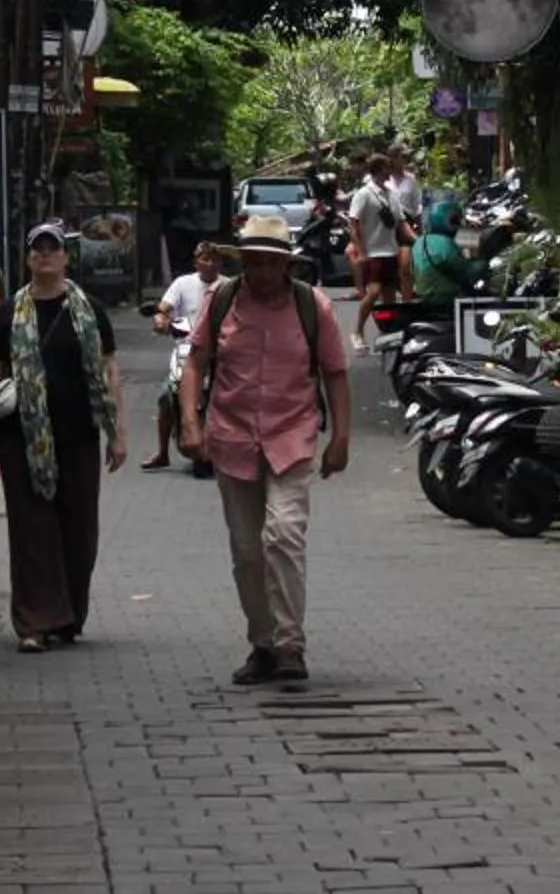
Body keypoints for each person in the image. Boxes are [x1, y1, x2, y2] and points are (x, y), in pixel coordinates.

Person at [177, 211, 352, 688]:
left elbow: (334, 372)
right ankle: (263, 644)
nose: (261, 273)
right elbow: (196, 363)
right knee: (246, 550)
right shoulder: (223, 300)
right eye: (253, 263)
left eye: (270, 264)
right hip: (232, 438)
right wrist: (189, 422)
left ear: (286, 266)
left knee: (284, 535)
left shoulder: (311, 306)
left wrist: (340, 438)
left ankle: (290, 645)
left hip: (292, 436)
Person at [0, 221, 129, 652]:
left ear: (65, 257)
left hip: (79, 434)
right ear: (28, 258)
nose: (45, 255)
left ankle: (67, 615)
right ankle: (34, 622)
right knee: (31, 529)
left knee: (78, 529)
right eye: (37, 249)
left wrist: (117, 433)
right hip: (21, 437)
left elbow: (109, 371)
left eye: (53, 248)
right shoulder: (9, 313)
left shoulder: (90, 310)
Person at [144, 240, 226, 473]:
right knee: (165, 396)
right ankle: (162, 452)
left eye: (214, 259)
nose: (210, 264)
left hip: (220, 352)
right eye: (205, 259)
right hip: (186, 349)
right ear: (196, 262)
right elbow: (165, 307)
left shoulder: (229, 287)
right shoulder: (182, 284)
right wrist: (161, 319)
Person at [345, 154, 402, 348]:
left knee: (390, 297)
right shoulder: (364, 194)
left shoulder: (391, 194)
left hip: (391, 251)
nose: (390, 170)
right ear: (378, 170)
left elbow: (400, 223)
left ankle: (387, 334)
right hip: (374, 252)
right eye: (387, 167)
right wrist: (360, 251)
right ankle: (357, 331)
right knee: (374, 292)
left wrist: (419, 240)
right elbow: (353, 224)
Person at [411, 195, 479, 300]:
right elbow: (465, 270)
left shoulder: (419, 241)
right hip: (446, 295)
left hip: (423, 294)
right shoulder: (446, 242)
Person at [387, 147, 425, 293]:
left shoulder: (411, 179)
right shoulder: (385, 179)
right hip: (388, 226)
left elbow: (417, 206)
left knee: (405, 266)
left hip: (406, 224)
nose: (403, 160)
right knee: (389, 268)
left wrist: (420, 229)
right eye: (401, 157)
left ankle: (407, 300)